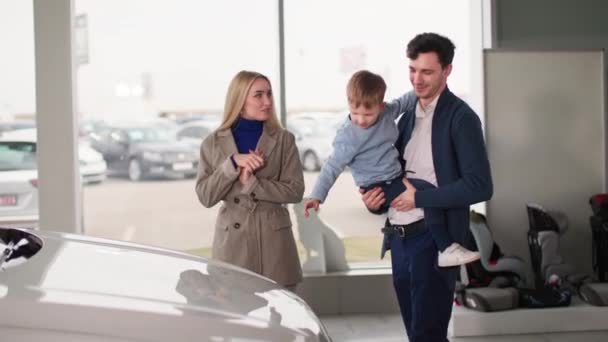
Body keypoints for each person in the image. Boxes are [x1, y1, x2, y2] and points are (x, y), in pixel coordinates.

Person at [361, 33, 493, 341]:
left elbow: (480, 186)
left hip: (433, 240)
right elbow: (392, 176)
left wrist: (419, 197)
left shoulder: (462, 118)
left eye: (427, 71)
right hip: (399, 239)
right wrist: (375, 201)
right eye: (412, 69)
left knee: (427, 334)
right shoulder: (405, 118)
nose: (417, 79)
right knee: (416, 333)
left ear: (447, 70)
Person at [303, 70, 480, 267]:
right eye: (355, 113)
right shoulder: (349, 137)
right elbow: (331, 167)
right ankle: (446, 248)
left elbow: (404, 101)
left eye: (368, 114)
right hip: (377, 184)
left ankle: (445, 247)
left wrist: (425, 87)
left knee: (426, 194)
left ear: (381, 106)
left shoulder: (387, 113)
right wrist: (317, 196)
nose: (361, 120)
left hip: (393, 177)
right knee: (428, 193)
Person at [195, 70, 305, 289]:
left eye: (269, 94)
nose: (267, 101)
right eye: (258, 95)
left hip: (275, 246)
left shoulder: (284, 139)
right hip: (232, 247)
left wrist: (253, 184)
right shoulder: (213, 143)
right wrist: (232, 164)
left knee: (280, 320)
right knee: (238, 320)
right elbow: (206, 196)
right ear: (240, 99)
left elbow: (295, 191)